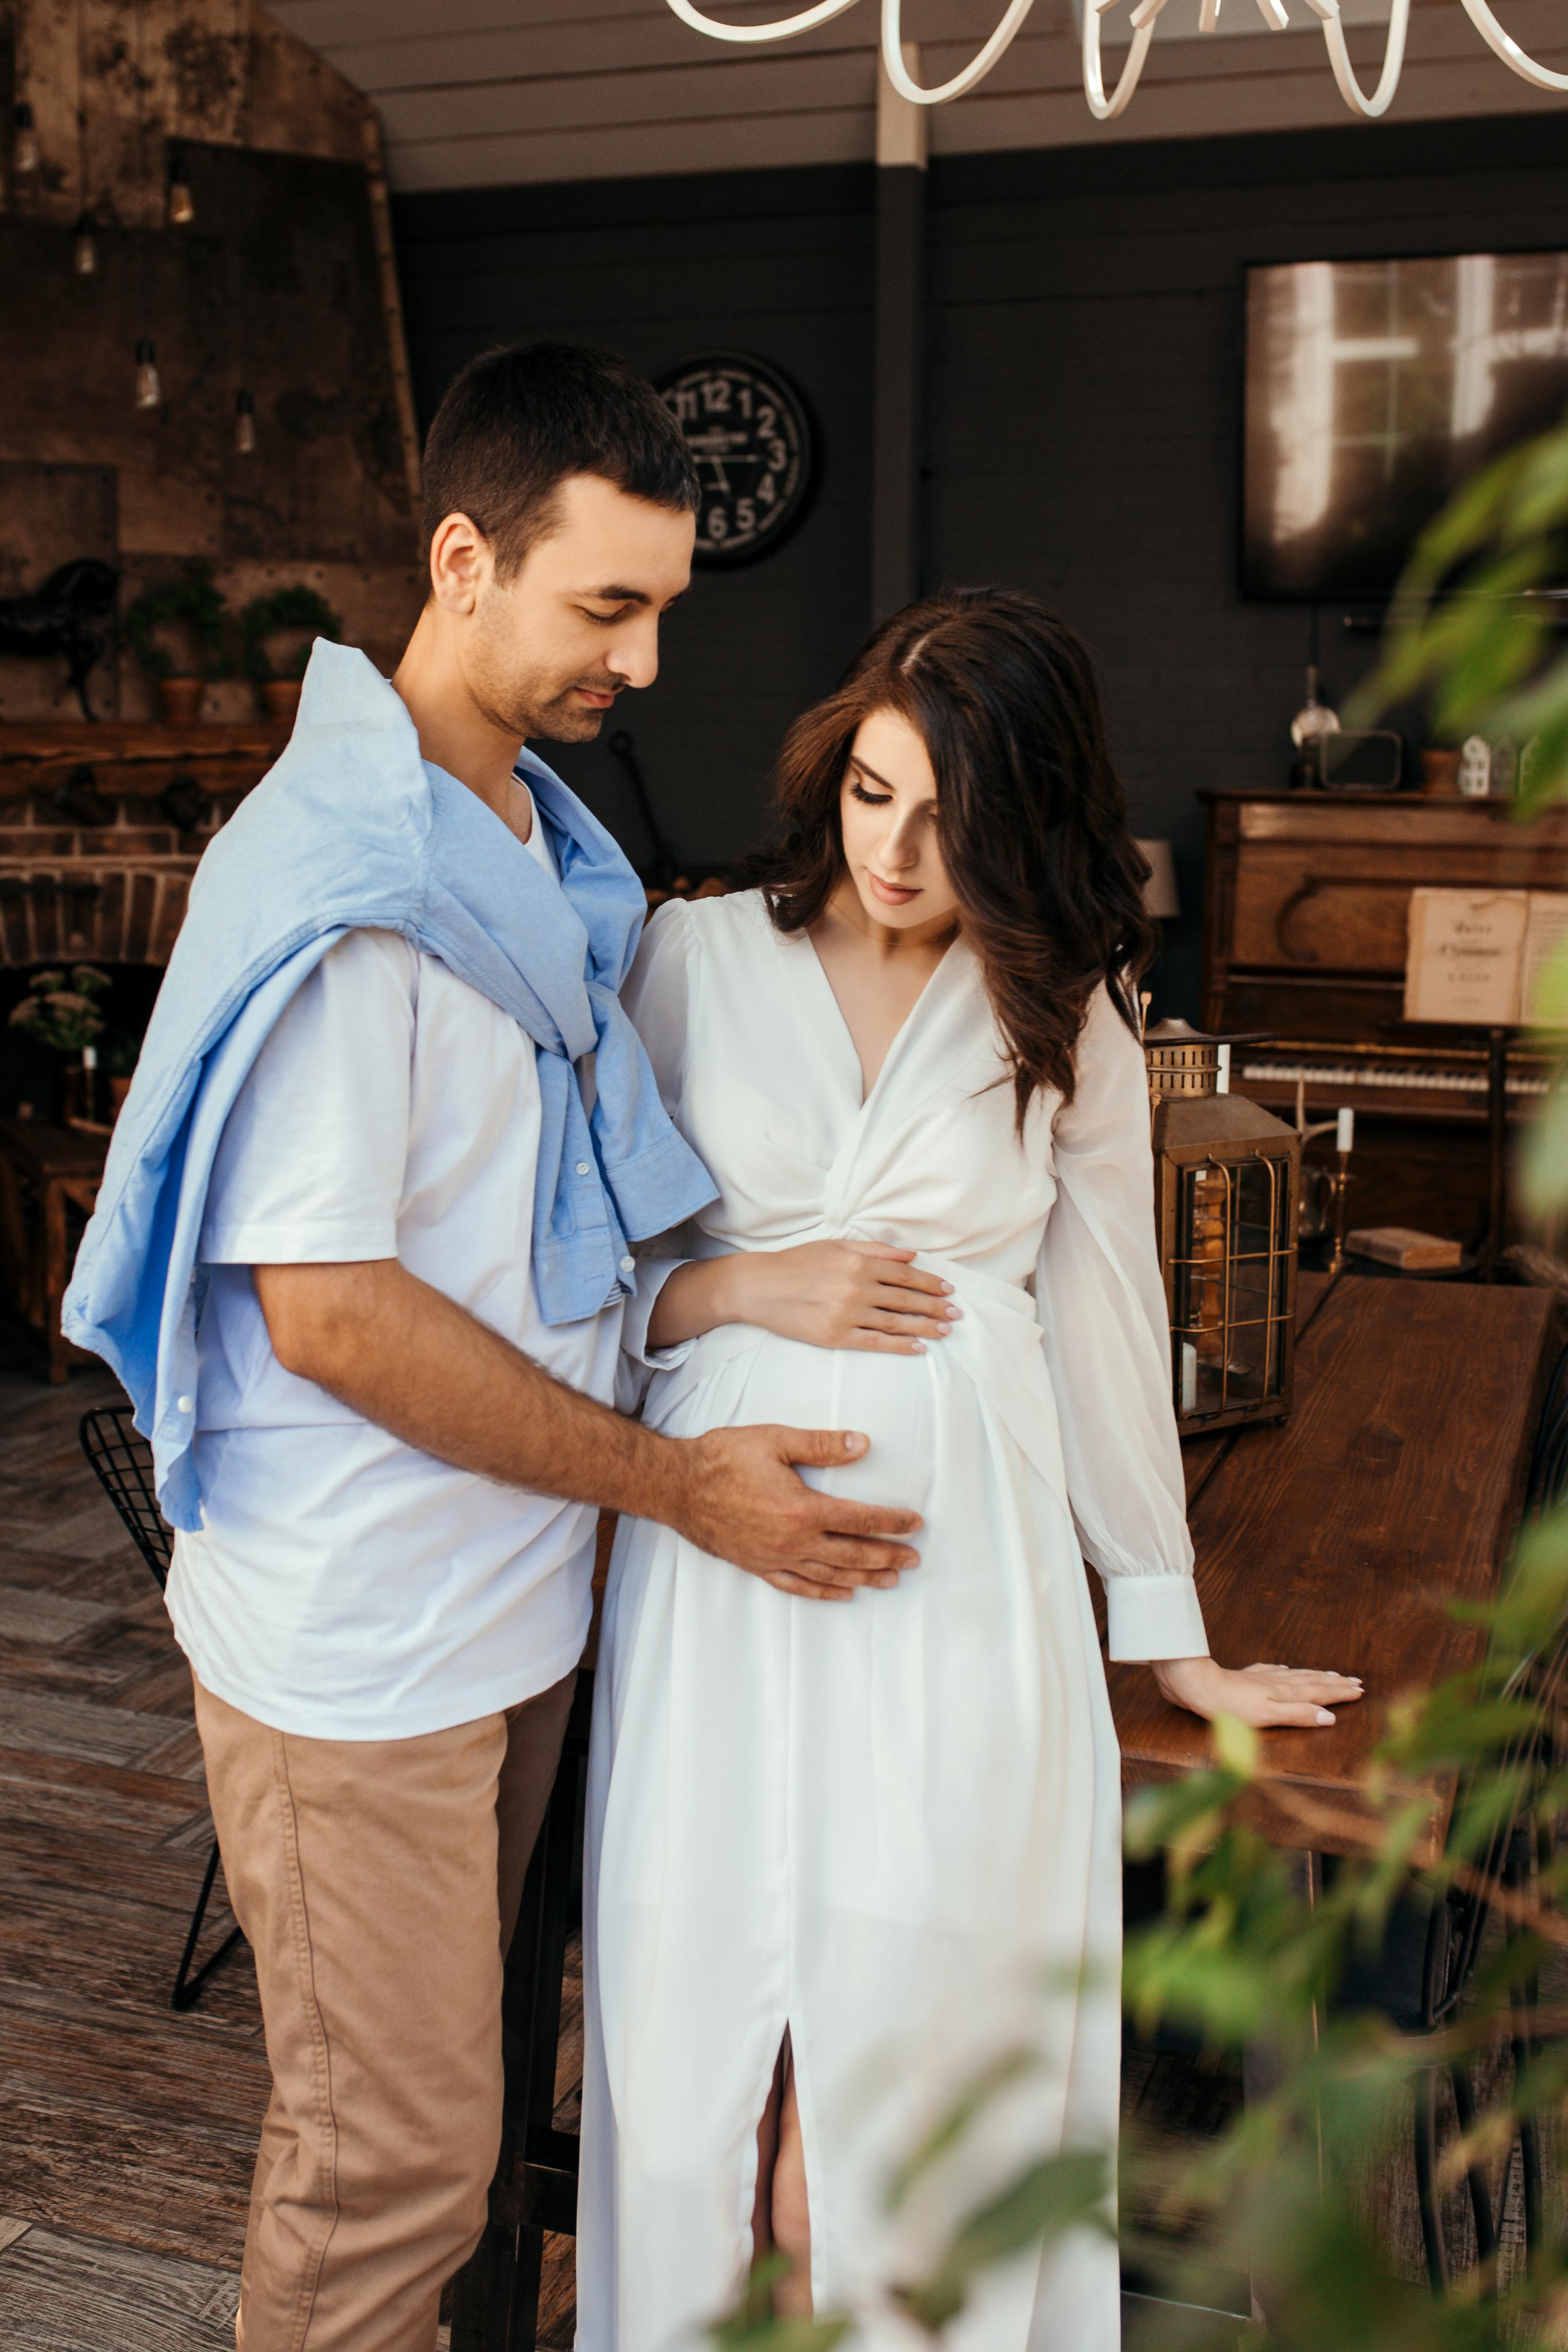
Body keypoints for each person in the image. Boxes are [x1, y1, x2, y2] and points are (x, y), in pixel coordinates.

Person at [62, 342, 926, 2352]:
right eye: (605, 606)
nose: (644, 660)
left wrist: (733, 1303)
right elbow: (334, 1316)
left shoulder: (525, 840)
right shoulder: (354, 898)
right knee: (387, 2179)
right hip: (364, 1643)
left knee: (455, 2158)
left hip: (506, 1602)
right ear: (463, 563)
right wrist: (677, 1487)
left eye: (662, 610)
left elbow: (533, 1250)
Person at [577, 588, 1363, 2350]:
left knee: (888, 2117)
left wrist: (1168, 1632)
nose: (896, 851)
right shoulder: (692, 960)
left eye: (948, 817)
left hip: (959, 1597)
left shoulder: (1063, 1013)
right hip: (717, 1588)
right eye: (872, 794)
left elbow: (1106, 1322)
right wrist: (744, 1286)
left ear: (1025, 821)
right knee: (711, 2089)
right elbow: (584, 1276)